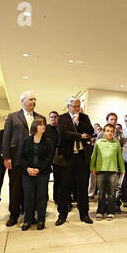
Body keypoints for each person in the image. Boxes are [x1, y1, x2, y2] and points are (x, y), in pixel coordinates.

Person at [3, 91, 46, 226]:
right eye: (30, 99)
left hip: (34, 159)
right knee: (15, 188)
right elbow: (6, 137)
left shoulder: (40, 118)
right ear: (22, 101)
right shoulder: (12, 117)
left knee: (31, 189)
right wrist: (6, 157)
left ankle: (30, 215)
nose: (33, 101)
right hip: (16, 158)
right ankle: (14, 215)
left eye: (35, 99)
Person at [55, 97, 94, 226]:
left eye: (78, 105)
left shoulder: (84, 117)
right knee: (64, 188)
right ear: (68, 106)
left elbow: (91, 131)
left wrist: (78, 123)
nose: (77, 108)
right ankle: (62, 214)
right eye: (74, 106)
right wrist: (79, 135)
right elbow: (63, 134)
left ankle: (84, 214)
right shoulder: (62, 118)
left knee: (82, 188)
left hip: (82, 157)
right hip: (67, 157)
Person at [19, 118, 53, 231]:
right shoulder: (26, 140)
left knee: (42, 197)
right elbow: (21, 157)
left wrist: (38, 169)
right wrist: (28, 168)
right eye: (40, 125)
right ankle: (27, 220)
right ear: (34, 127)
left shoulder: (48, 141)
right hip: (27, 173)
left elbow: (49, 158)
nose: (43, 127)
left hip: (42, 172)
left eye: (44, 125)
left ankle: (41, 220)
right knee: (28, 197)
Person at [90, 123, 125, 220]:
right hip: (101, 171)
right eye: (107, 131)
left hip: (113, 171)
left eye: (112, 131)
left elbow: (119, 157)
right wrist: (92, 167)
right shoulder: (99, 142)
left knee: (112, 193)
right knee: (101, 193)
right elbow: (94, 156)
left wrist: (122, 169)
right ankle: (100, 211)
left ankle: (111, 211)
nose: (110, 133)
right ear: (104, 132)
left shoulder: (116, 143)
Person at [46, 111, 60, 203]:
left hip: (58, 156)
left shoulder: (60, 128)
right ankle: (44, 197)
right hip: (46, 156)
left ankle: (57, 198)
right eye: (51, 117)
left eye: (55, 117)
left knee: (58, 178)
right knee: (45, 178)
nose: (53, 119)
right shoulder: (46, 128)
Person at [88, 123, 102, 200]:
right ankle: (91, 193)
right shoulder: (91, 137)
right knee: (92, 177)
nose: (98, 131)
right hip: (92, 158)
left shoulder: (102, 138)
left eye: (100, 129)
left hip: (101, 159)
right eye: (97, 129)